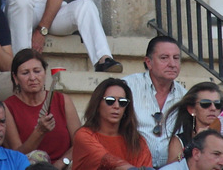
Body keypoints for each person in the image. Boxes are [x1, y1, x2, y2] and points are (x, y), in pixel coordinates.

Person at [4, 49, 81, 168]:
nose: (32, 77)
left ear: (45, 73)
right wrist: (39, 132)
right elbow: (17, 155)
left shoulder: (62, 100)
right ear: (15, 78)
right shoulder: (7, 107)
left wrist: (60, 164)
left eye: (37, 71)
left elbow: (80, 143)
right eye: (25, 73)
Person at [123, 36, 187, 168]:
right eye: (164, 58)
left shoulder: (185, 97)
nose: (172, 64)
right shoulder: (127, 87)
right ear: (148, 62)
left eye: (176, 58)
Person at [72, 78, 153, 170]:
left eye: (122, 102)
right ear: (97, 104)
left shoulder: (137, 141)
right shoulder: (83, 135)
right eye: (110, 100)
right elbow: (106, 161)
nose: (116, 106)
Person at [166, 82, 223, 163]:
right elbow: (173, 167)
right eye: (205, 104)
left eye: (217, 104)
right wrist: (193, 144)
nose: (213, 108)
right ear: (191, 109)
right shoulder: (180, 141)